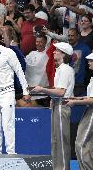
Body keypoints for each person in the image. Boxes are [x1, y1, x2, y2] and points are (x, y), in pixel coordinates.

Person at [0, 31, 30, 154]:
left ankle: (11, 153)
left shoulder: (8, 52)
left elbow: (19, 71)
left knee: (8, 125)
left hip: (7, 92)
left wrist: (25, 91)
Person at [32, 42, 75, 170]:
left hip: (62, 105)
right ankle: (57, 167)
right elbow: (58, 91)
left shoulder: (66, 70)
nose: (54, 52)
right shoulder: (60, 69)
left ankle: (62, 168)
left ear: (63, 54)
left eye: (56, 51)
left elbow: (61, 92)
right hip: (57, 104)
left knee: (61, 141)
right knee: (56, 140)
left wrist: (42, 90)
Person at [65, 52, 93, 170]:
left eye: (92, 60)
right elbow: (91, 97)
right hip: (90, 111)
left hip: (92, 112)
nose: (89, 62)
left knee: (81, 144)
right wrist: (76, 98)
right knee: (90, 145)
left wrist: (75, 102)